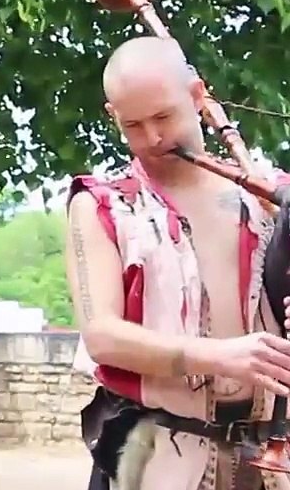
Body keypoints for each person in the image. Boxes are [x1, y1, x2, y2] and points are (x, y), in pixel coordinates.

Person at [65, 36, 290, 490]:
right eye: (133, 124)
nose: (152, 138)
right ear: (114, 117)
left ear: (197, 95)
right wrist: (220, 356)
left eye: (163, 116)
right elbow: (102, 336)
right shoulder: (101, 206)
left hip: (274, 457)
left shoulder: (271, 196)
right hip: (161, 458)